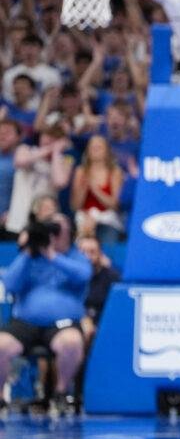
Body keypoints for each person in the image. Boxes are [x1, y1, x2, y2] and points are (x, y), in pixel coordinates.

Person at [0, 214, 91, 416]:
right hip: (25, 322)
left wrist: (53, 256)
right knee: (1, 345)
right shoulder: (30, 257)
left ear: (69, 232)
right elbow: (10, 284)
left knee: (71, 343)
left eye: (58, 228)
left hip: (62, 324)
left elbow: (84, 275)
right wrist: (28, 251)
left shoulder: (75, 256)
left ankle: (60, 393)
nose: (53, 232)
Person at [70, 135, 125, 243]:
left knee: (107, 235)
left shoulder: (115, 172)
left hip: (107, 219)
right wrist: (84, 188)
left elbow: (115, 205)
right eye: (92, 147)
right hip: (85, 218)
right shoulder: (80, 171)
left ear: (107, 151)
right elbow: (75, 206)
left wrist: (95, 189)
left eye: (99, 147)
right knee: (83, 235)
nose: (95, 150)